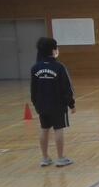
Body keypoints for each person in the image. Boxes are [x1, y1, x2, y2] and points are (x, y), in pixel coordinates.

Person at [30, 37, 75, 167]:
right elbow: (66, 87)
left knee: (44, 129)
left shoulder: (35, 68)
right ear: (52, 49)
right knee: (58, 129)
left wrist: (36, 103)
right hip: (57, 105)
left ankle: (45, 158)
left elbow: (33, 89)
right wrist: (71, 103)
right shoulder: (59, 67)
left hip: (42, 105)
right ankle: (60, 158)